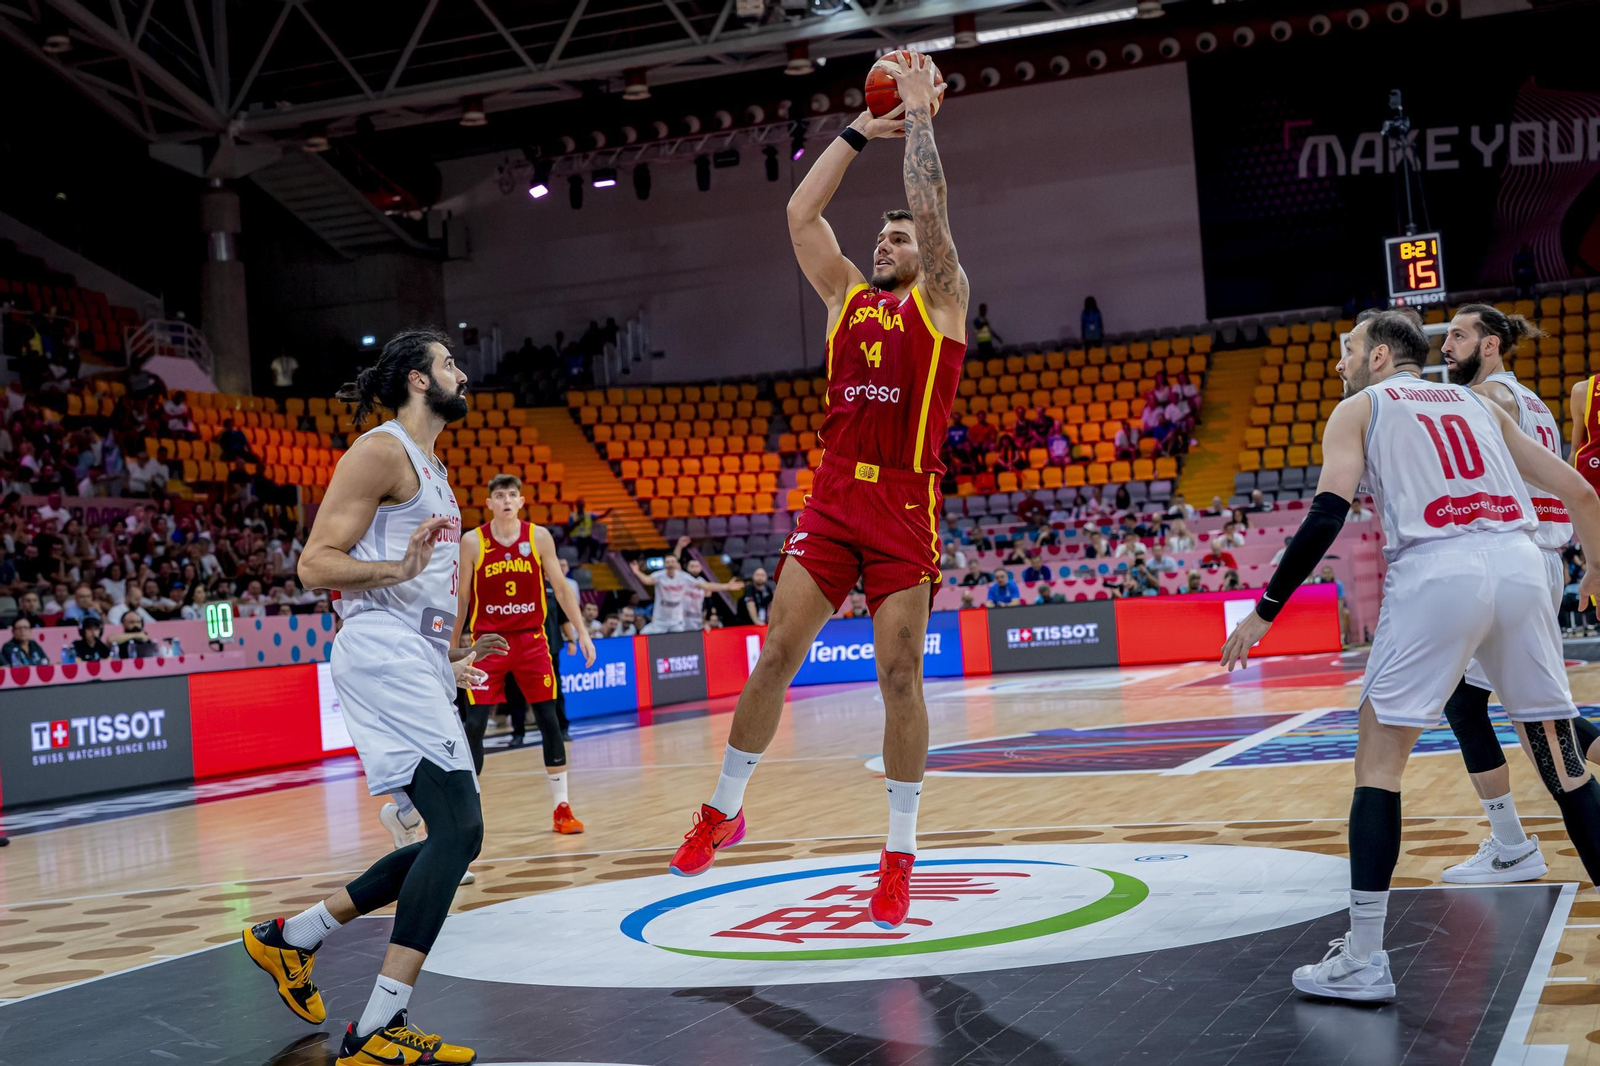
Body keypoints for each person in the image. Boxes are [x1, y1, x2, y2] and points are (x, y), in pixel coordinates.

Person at [665, 53, 967, 932]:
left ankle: (900, 856)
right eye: (880, 237)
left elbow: (937, 216)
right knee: (775, 655)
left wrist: (921, 121)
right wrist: (858, 133)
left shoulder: (941, 304)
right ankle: (725, 806)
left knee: (900, 675)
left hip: (905, 503)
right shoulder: (843, 298)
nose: (885, 245)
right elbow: (800, 214)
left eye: (898, 239)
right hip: (834, 496)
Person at [1221, 308, 1600, 1004]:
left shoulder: (1360, 409)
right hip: (1521, 565)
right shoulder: (1478, 403)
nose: (1338, 360)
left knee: (1379, 759)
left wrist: (1263, 611)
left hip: (1439, 568)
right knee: (1563, 759)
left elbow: (1326, 517)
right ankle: (1521, 844)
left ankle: (1364, 956)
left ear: (1376, 358)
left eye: (1347, 348)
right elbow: (1578, 490)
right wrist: (1597, 570)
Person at [243, 328, 486, 1063]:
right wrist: (395, 575)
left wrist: (450, 656)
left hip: (412, 659)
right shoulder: (381, 451)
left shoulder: (434, 468)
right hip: (380, 655)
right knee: (460, 832)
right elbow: (316, 566)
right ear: (417, 379)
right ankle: (379, 1024)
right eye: (449, 364)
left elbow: (429, 585)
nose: (462, 373)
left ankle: (294, 938)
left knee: (450, 835)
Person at [1433, 305, 1577, 884]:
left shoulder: (1489, 400)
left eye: (1458, 336)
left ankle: (1512, 844)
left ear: (1489, 345)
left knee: (1529, 717)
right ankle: (1509, 840)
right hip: (1542, 558)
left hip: (1518, 559)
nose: (1446, 346)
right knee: (1482, 705)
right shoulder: (1534, 400)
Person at [454, 473, 597, 836]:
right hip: (488, 642)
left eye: (512, 495)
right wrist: (454, 649)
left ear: (520, 502)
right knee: (475, 725)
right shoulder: (473, 541)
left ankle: (562, 808)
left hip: (532, 640)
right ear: (488, 503)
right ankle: (464, 817)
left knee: (549, 719)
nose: (505, 500)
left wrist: (582, 633)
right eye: (499, 495)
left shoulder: (538, 536)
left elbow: (562, 589)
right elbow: (461, 599)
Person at [633, 553, 741, 633]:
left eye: (672, 562)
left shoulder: (684, 577)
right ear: (664, 564)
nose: (670, 564)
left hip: (677, 622)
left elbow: (705, 586)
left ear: (676, 564)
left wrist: (726, 586)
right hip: (660, 621)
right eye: (667, 562)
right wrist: (636, 572)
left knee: (680, 644)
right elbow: (647, 580)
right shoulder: (659, 575)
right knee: (645, 635)